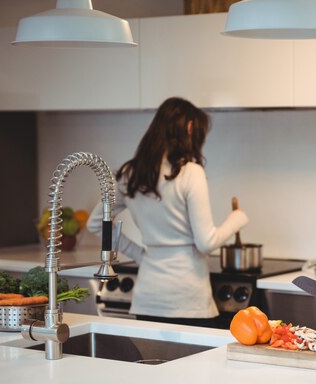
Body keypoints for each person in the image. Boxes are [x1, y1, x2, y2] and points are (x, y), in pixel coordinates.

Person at [87, 97, 248, 328]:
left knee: (153, 363)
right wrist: (236, 220)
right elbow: (206, 242)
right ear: (190, 128)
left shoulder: (130, 174)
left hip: (148, 297)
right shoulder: (191, 172)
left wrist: (141, 254)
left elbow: (96, 223)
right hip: (188, 299)